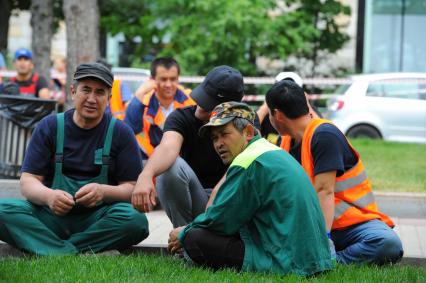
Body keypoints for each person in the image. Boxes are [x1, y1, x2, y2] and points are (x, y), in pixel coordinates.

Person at [0, 62, 149, 255]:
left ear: (109, 98)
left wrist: (103, 191)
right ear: (73, 91)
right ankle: (75, 251)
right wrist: (49, 196)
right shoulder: (49, 126)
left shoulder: (122, 133)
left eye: (99, 92)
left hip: (97, 219)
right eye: (86, 90)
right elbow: (28, 182)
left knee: (135, 220)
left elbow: (131, 188)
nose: (91, 99)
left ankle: (51, 249)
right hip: (49, 216)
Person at [168, 102, 332, 276]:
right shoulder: (272, 152)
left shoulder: (247, 161)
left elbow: (220, 219)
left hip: (286, 262)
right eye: (215, 138)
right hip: (313, 260)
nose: (219, 144)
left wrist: (184, 233)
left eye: (224, 134)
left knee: (196, 239)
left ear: (248, 132)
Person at [265, 80, 403, 265]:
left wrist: (322, 242)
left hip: (352, 225)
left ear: (277, 114)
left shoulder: (324, 135)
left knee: (388, 244)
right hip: (307, 226)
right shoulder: (284, 143)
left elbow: (324, 191)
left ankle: (329, 261)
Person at [131, 65, 245, 227]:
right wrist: (146, 175)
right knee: (169, 166)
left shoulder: (245, 124)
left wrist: (217, 193)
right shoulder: (181, 117)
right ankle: (184, 240)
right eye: (202, 98)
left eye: (209, 104)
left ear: (230, 109)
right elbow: (167, 147)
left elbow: (246, 165)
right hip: (197, 198)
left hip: (230, 202)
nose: (200, 107)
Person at [124, 57, 195, 159]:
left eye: (173, 79)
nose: (168, 84)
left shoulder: (190, 99)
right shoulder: (142, 102)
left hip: (183, 162)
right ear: (152, 80)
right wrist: (140, 93)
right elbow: (128, 131)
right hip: (148, 161)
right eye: (163, 79)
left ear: (178, 78)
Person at [257, 71, 321, 145]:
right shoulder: (268, 113)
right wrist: (265, 108)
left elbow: (320, 129)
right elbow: (249, 131)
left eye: (292, 91)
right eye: (281, 90)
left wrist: (306, 105)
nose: (286, 95)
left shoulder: (309, 112)